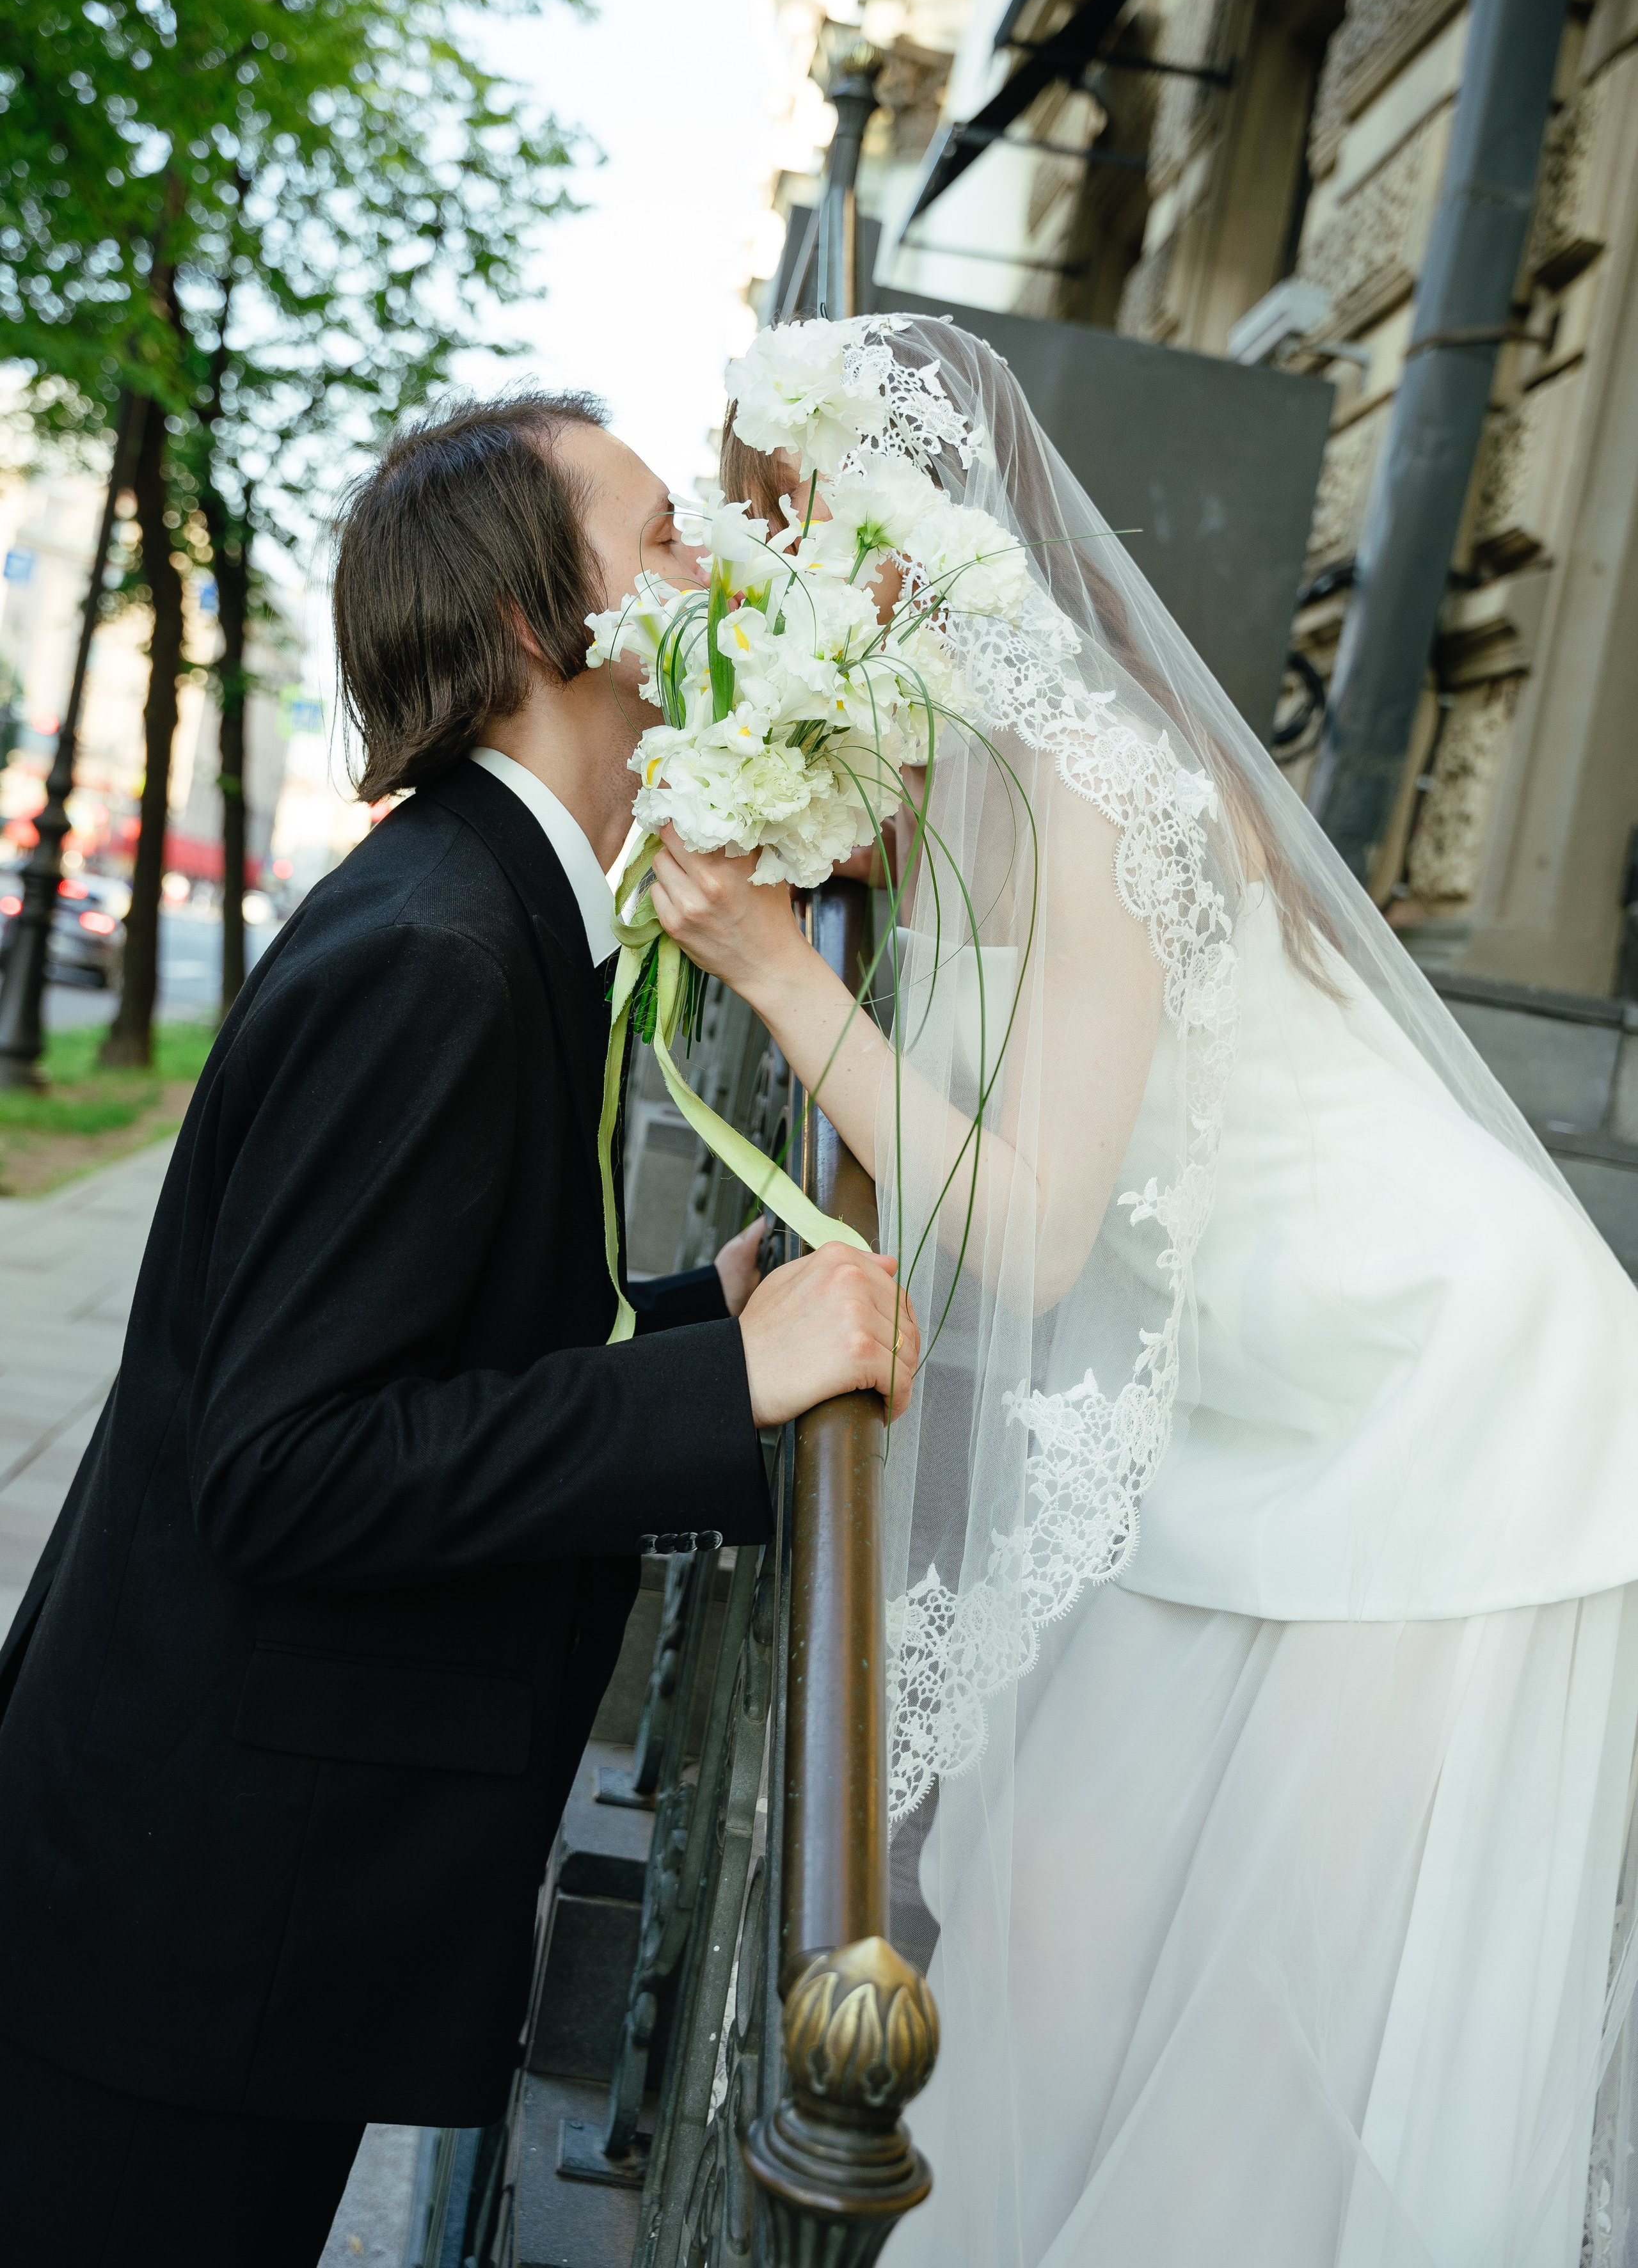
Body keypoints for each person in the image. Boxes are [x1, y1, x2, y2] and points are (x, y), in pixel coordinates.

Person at [650, 314, 1638, 2266]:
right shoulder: (929, 763)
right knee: (1050, 1911)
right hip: (1261, 1406)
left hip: (1447, 1388)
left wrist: (781, 973)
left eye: (776, 544)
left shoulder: (1084, 784)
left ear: (898, 544)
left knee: (1300, 2003)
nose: (745, 592)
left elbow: (1031, 1232)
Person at [0, 389, 919, 2268]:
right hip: (190, 1924)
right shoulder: (441, 950)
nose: (707, 567)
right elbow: (285, 1468)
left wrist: (687, 1321)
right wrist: (723, 1388)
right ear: (534, 622)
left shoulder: (495, 906)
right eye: (664, 534)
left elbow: (419, 1335)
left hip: (235, 1901)